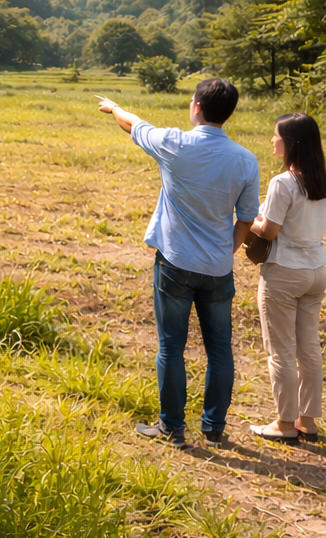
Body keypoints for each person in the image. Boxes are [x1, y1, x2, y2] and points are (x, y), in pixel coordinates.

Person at [97, 79, 260, 449]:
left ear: (197, 107)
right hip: (218, 269)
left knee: (171, 346)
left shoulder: (174, 143)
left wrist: (113, 107)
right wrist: (228, 251)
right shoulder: (246, 160)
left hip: (175, 263)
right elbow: (247, 217)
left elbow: (133, 124)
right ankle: (214, 428)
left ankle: (172, 427)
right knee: (220, 349)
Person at [247, 113, 326, 443]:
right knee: (309, 348)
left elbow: (269, 230)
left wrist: (249, 219)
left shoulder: (282, 182)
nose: (273, 140)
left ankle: (284, 423)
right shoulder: (324, 181)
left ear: (291, 143)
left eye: (277, 136)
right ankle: (307, 421)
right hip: (316, 270)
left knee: (281, 350)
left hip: (284, 271)